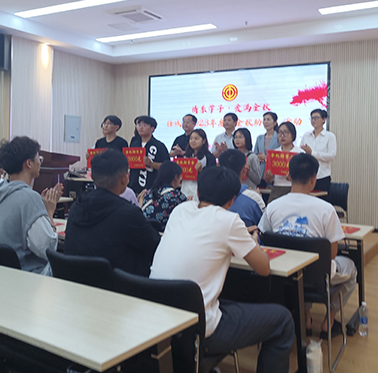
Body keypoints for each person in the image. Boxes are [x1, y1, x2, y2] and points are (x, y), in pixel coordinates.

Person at [150, 167, 295, 373]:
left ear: (198, 192)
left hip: (161, 321)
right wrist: (253, 240)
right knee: (283, 319)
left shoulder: (180, 210)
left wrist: (239, 235)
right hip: (199, 329)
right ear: (232, 200)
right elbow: (263, 268)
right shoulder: (229, 221)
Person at [259, 153, 357, 337]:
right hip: (317, 275)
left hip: (284, 273)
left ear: (288, 176)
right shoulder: (326, 209)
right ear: (314, 180)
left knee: (302, 269)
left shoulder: (272, 206)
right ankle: (329, 321)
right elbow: (332, 254)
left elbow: (264, 238)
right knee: (351, 268)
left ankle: (305, 317)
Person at [65, 150, 161, 276]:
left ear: (92, 176)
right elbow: (157, 247)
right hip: (121, 285)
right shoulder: (129, 213)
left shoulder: (76, 207)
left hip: (76, 282)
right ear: (125, 179)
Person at [0, 137, 62, 275]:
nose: (40, 162)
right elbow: (48, 249)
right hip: (24, 277)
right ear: (29, 163)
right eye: (39, 158)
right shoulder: (29, 198)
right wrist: (49, 213)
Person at [219, 149, 265, 227]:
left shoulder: (209, 197)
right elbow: (263, 227)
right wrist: (257, 198)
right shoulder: (254, 198)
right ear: (244, 169)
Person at [128, 115, 170, 195]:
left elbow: (166, 166)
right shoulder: (134, 143)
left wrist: (151, 164)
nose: (141, 127)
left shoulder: (159, 146)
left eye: (144, 125)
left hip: (151, 188)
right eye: (139, 125)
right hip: (134, 186)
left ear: (152, 129)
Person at [264, 121, 303, 203]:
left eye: (286, 132)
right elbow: (269, 179)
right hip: (277, 188)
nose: (282, 135)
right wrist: (268, 177)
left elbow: (304, 176)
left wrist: (292, 178)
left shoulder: (300, 153)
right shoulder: (274, 153)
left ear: (293, 135)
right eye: (280, 132)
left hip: (294, 189)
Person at [141, 160, 187, 229]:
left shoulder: (148, 192)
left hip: (146, 231)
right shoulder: (178, 196)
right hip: (165, 233)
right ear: (176, 177)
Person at [300, 108, 336, 193]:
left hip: (322, 176)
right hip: (307, 176)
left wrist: (312, 153)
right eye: (312, 118)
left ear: (324, 119)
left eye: (316, 118)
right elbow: (300, 152)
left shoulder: (329, 136)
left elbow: (331, 156)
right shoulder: (306, 136)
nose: (313, 120)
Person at [180, 129, 216, 201]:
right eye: (191, 138)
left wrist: (201, 171)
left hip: (200, 191)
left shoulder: (209, 157)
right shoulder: (186, 156)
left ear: (204, 141)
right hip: (185, 190)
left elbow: (212, 177)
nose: (193, 141)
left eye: (196, 139)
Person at [254, 111, 281, 185]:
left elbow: (281, 156)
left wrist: (266, 158)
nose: (265, 122)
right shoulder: (259, 138)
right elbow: (255, 153)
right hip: (260, 173)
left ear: (275, 123)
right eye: (264, 119)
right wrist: (258, 157)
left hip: (273, 173)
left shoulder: (279, 138)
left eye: (268, 119)